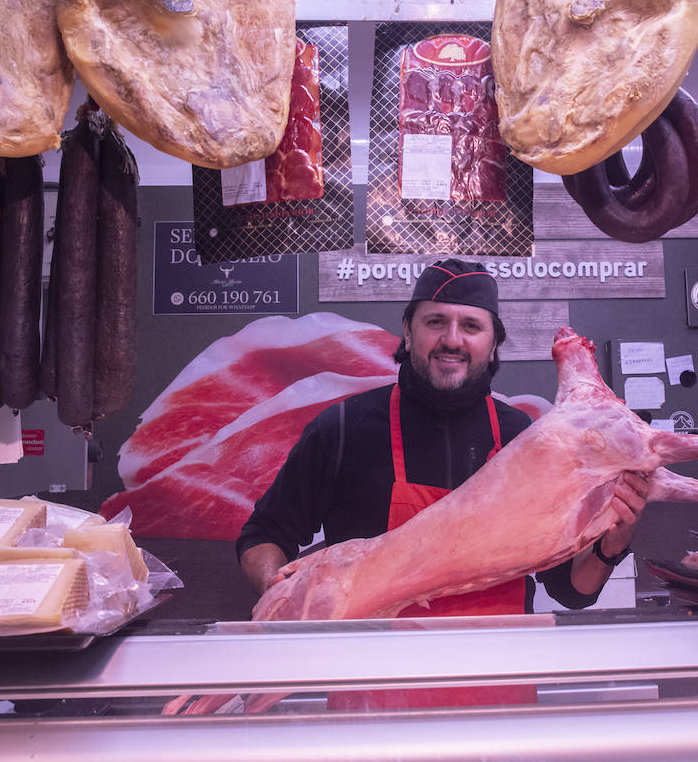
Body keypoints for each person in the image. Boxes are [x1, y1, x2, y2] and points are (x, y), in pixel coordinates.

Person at [235, 258, 650, 706]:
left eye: (471, 326)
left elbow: (570, 589)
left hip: (499, 708)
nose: (452, 340)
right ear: (408, 330)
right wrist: (284, 594)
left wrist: (611, 545)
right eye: (436, 322)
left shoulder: (527, 439)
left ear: (493, 343)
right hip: (372, 710)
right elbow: (264, 534)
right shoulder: (343, 429)